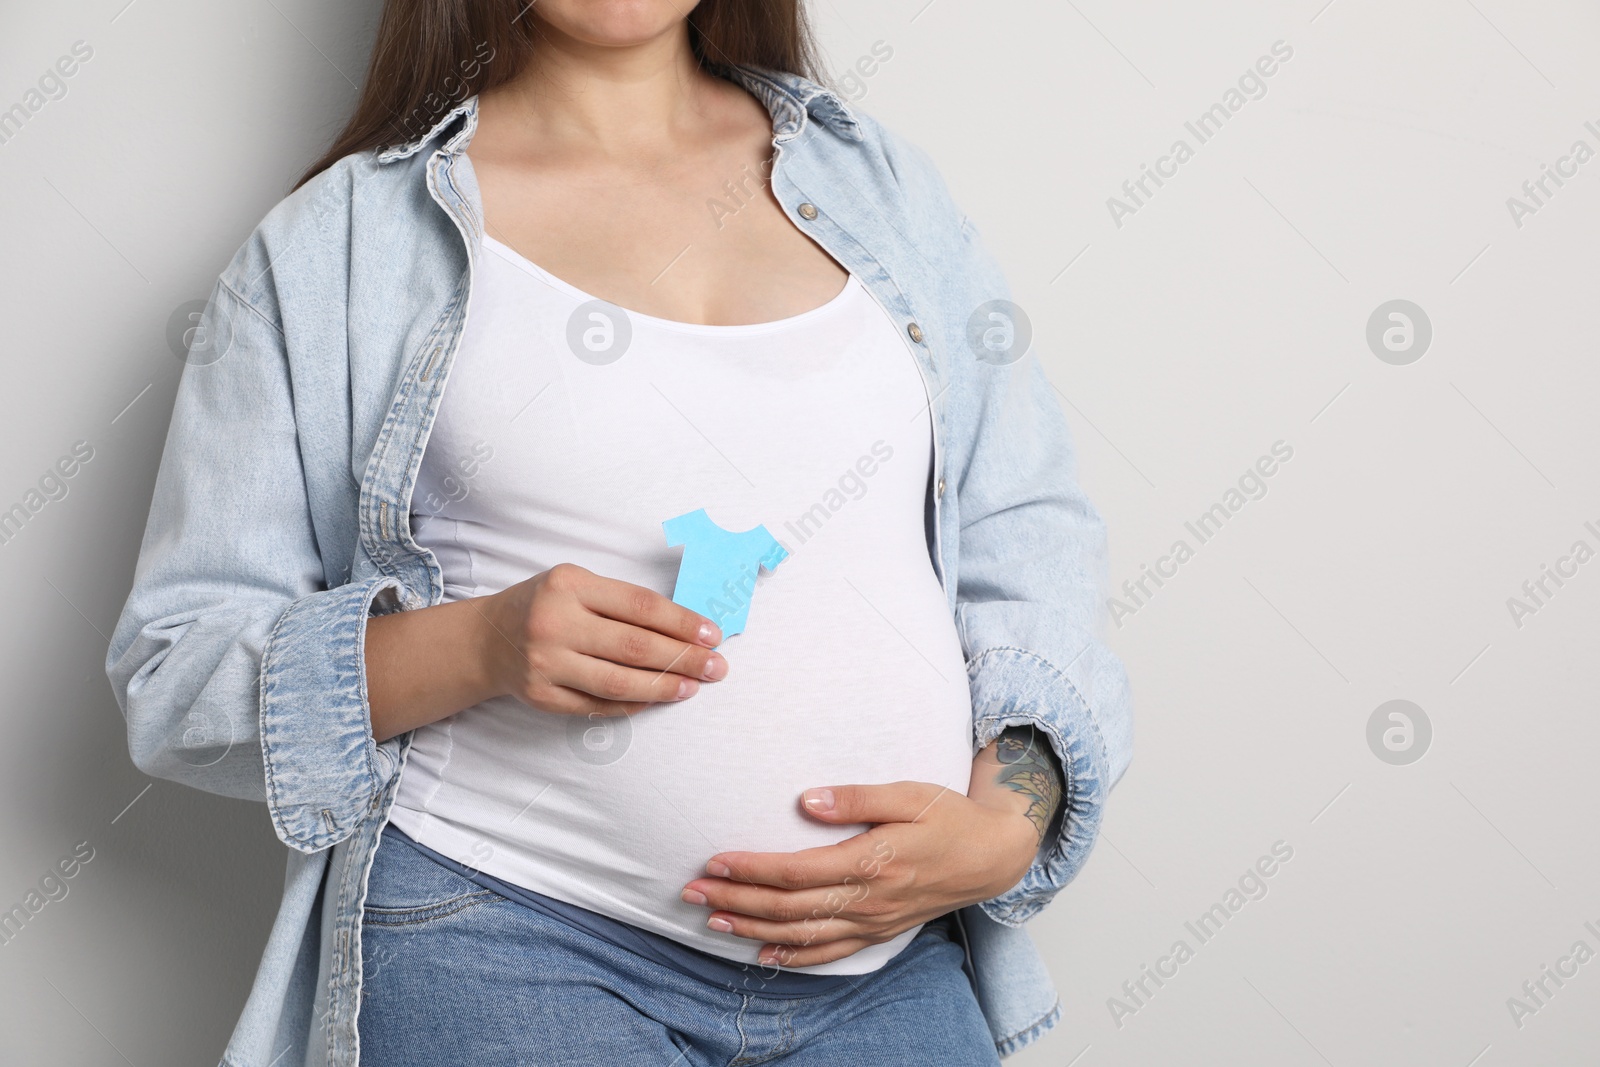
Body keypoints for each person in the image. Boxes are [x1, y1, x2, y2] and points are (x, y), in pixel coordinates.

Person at [105, 1, 1133, 1063]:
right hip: (508, 940)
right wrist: (478, 642)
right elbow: (175, 672)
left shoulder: (883, 187)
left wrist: (1012, 818)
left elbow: (1028, 527)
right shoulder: (338, 248)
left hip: (889, 968)